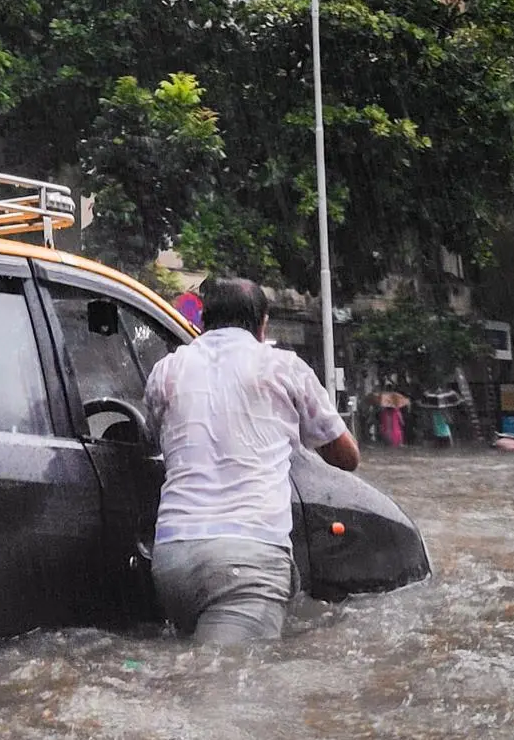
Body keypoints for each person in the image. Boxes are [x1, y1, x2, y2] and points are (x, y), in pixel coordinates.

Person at [144, 276, 360, 646]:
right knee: (227, 689)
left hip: (172, 557)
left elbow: (153, 437)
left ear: (203, 320)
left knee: (194, 678)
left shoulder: (166, 370)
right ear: (263, 325)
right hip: (247, 562)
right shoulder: (282, 368)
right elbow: (346, 456)